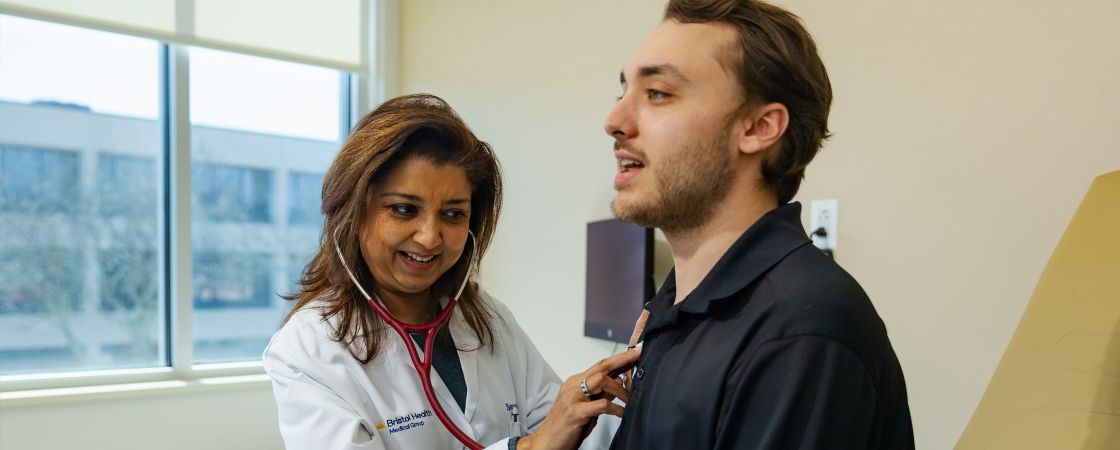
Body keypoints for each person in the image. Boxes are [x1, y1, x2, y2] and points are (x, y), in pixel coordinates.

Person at [602, 1, 915, 449]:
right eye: (623, 92)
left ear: (759, 127)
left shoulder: (800, 332)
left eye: (658, 93)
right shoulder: (674, 312)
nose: (614, 122)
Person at [262, 94, 637, 450]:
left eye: (453, 214)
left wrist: (634, 372)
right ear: (354, 212)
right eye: (404, 209)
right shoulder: (309, 349)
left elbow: (563, 431)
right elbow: (540, 443)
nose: (429, 237)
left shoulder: (485, 317)